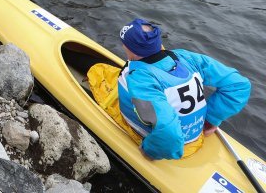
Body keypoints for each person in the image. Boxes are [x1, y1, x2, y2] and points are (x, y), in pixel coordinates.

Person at [88, 19, 251, 161]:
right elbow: (239, 85)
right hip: (196, 133)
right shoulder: (186, 57)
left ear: (129, 49)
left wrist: (149, 151)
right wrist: (211, 120)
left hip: (169, 145)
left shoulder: (140, 80)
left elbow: (169, 134)